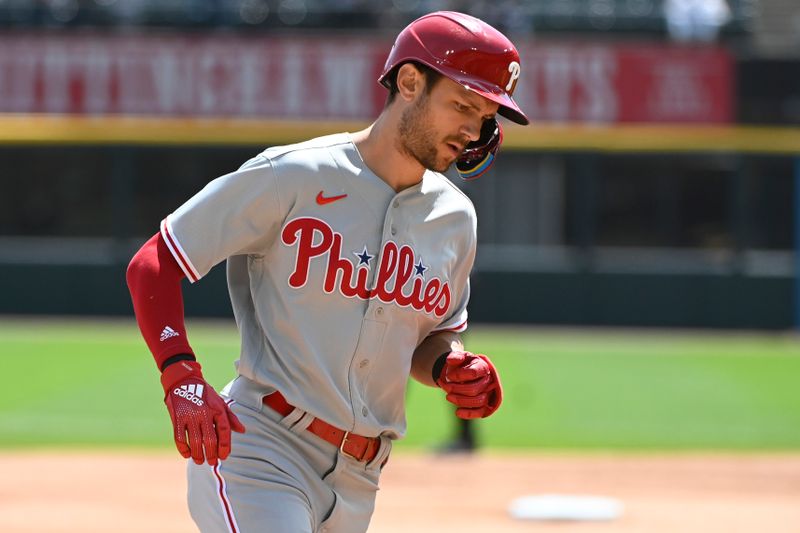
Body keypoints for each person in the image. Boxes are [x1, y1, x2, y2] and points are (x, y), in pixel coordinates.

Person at [126, 10, 528, 532]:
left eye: (486, 115)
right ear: (410, 82)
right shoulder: (294, 174)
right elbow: (155, 262)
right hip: (263, 451)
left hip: (361, 481)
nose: (474, 128)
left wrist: (452, 367)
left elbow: (433, 338)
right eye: (463, 105)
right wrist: (180, 375)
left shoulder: (455, 220)